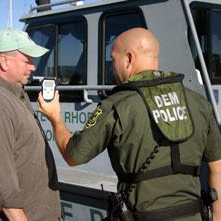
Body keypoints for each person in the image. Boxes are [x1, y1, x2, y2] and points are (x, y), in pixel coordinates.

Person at [38, 27, 221, 221]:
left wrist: (55, 118)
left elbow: (73, 155)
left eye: (113, 58)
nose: (111, 66)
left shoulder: (115, 106)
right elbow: (217, 167)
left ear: (129, 58)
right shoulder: (199, 103)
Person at [0, 28, 61, 221]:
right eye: (27, 60)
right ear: (4, 61)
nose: (33, 67)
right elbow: (5, 192)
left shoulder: (13, 94)